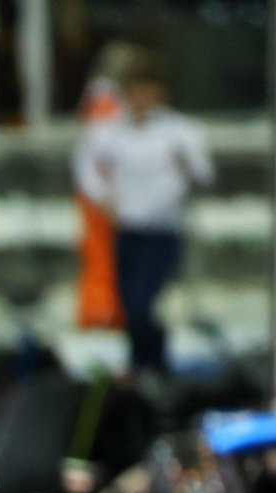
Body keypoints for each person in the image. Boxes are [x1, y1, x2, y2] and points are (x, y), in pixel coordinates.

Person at [73, 58, 213, 380]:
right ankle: (143, 364)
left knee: (141, 302)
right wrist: (102, 199)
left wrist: (187, 164)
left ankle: (154, 360)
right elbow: (85, 168)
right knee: (128, 305)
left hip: (163, 229)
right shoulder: (110, 132)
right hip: (129, 228)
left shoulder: (179, 130)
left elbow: (203, 174)